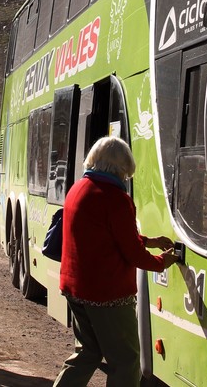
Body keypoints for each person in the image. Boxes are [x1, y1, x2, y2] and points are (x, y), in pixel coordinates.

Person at [53, 137, 179, 387]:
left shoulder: (79, 189)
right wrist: (161, 262)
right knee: (126, 360)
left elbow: (103, 234)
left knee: (87, 353)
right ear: (122, 168)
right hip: (106, 295)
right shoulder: (115, 198)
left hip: (74, 288)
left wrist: (148, 240)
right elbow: (130, 252)